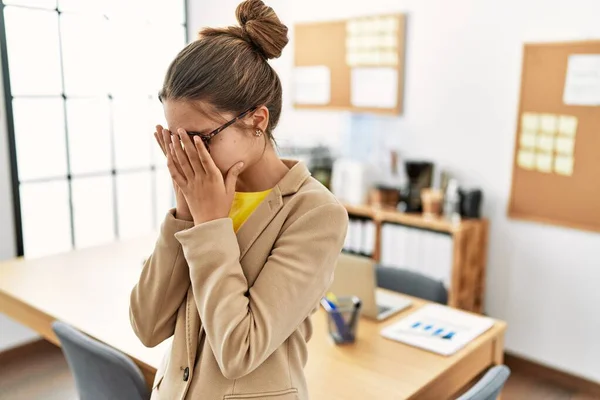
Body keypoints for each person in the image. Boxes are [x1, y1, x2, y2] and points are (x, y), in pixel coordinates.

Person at [129, 1, 348, 399]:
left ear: (257, 121)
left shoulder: (316, 214)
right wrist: (182, 215)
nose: (186, 157)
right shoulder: (200, 194)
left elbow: (239, 350)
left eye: (200, 139)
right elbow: (147, 326)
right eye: (176, 141)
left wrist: (211, 225)